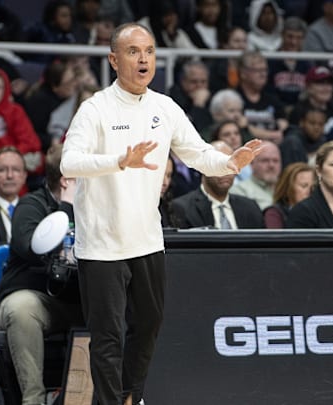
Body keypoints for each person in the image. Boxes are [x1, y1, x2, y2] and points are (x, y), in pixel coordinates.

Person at [59, 23, 262, 405]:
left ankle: (130, 396)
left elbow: (198, 153)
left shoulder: (164, 107)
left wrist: (230, 162)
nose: (143, 59)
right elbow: (69, 163)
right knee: (106, 337)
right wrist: (119, 160)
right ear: (114, 59)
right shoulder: (95, 108)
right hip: (102, 246)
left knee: (149, 325)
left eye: (149, 51)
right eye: (134, 51)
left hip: (147, 240)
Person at [0, 144, 82, 405]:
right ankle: (33, 399)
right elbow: (31, 247)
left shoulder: (94, 209)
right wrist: (66, 207)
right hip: (37, 298)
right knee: (21, 309)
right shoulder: (31, 205)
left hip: (79, 298)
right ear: (68, 180)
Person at [172, 141, 264, 229]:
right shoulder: (182, 208)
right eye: (219, 165)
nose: (225, 171)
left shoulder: (251, 207)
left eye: (230, 164)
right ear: (203, 167)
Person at [236, 50, 289, 144]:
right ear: (243, 73)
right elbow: (240, 126)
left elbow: (283, 122)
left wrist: (280, 130)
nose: (263, 74)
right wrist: (271, 135)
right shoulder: (234, 98)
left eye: (265, 70)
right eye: (257, 70)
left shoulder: (272, 98)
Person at [230, 140, 282, 210]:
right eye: (265, 160)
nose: (271, 165)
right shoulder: (240, 191)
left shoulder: (288, 189)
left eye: (275, 160)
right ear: (251, 163)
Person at [264, 162, 316, 228]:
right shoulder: (274, 213)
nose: (310, 191)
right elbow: (276, 238)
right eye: (304, 186)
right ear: (288, 188)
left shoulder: (318, 212)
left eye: (313, 187)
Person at [168, 60, 213, 132]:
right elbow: (191, 130)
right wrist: (198, 105)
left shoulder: (211, 97)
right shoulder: (173, 99)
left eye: (203, 82)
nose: (199, 86)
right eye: (194, 82)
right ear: (183, 82)